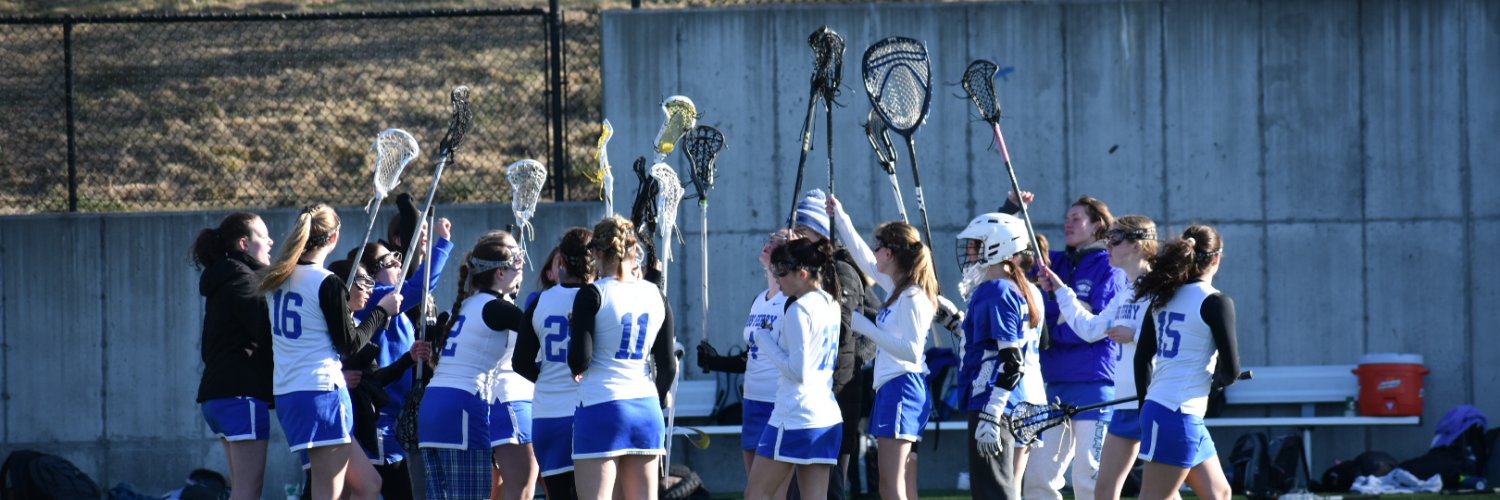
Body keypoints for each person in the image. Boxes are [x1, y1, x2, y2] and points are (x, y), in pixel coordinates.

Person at [257, 204, 401, 500]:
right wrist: (381, 313)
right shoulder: (326, 282)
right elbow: (350, 344)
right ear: (334, 239)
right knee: (330, 493)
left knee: (368, 484)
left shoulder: (278, 277)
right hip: (321, 392)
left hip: (291, 394)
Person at [1002, 192, 1124, 500]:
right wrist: (1012, 210)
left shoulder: (1110, 266)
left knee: (1089, 479)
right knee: (1038, 481)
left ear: (1098, 225)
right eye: (1066, 218)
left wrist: (1055, 329)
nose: (1067, 224)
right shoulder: (1052, 262)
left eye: (1076, 218)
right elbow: (1003, 252)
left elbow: (1096, 327)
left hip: (1094, 386)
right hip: (1053, 386)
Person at [1038, 216, 1165, 500]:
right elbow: (1090, 328)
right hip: (1125, 404)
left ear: (1137, 245)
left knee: (1174, 491)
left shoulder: (1162, 290)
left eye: (1115, 239)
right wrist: (1060, 290)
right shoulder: (1126, 294)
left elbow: (1179, 336)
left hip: (1157, 404)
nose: (1107, 245)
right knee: (1102, 491)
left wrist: (1137, 335)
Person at [826, 195, 936, 500]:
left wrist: (867, 329)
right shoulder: (897, 289)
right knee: (903, 484)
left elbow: (912, 352)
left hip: (903, 387)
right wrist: (842, 217)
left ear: (889, 252)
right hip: (896, 388)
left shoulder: (912, 296)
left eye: (878, 248)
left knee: (890, 485)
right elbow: (863, 258)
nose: (874, 254)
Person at [567, 215, 676, 500]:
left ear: (599, 253)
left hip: (601, 405)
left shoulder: (592, 294)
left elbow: (580, 360)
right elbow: (667, 365)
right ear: (632, 251)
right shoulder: (656, 294)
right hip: (646, 407)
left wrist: (575, 328)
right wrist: (659, 394)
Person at [1132, 225, 1241, 500]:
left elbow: (1142, 358)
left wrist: (1146, 407)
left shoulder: (1163, 298)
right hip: (1177, 413)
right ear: (1216, 258)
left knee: (1220, 493)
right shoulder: (1216, 301)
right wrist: (1220, 379)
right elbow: (1232, 370)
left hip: (1168, 410)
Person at [417, 232, 528, 498]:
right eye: (515, 266)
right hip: (463, 406)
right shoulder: (497, 307)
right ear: (500, 273)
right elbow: (536, 332)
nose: (519, 272)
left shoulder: (464, 305)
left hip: (432, 405)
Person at [351, 219, 453, 498]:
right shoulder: (375, 299)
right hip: (381, 416)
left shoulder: (394, 307)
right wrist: (442, 244)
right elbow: (420, 286)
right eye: (390, 261)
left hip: (399, 414)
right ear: (372, 274)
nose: (398, 264)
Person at [789, 189, 875, 499]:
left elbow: (851, 328)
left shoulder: (841, 272)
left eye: (803, 231)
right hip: (807, 396)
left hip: (838, 393)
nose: (796, 237)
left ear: (820, 234)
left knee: (830, 484)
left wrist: (856, 361)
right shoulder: (802, 273)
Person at [744, 237, 845, 500]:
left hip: (794, 416)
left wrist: (764, 340)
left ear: (802, 273)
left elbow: (799, 372)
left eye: (782, 273)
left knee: (756, 493)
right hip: (827, 417)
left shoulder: (799, 309)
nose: (777, 280)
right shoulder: (831, 303)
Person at [953, 212, 1042, 500]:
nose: (970, 251)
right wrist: (954, 321)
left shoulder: (997, 289)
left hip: (993, 401)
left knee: (994, 492)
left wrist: (992, 412)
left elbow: (1011, 361)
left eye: (976, 244)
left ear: (996, 246)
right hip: (992, 399)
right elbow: (989, 347)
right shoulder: (999, 288)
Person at [696, 229, 793, 488]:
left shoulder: (792, 302)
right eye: (768, 239)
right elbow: (752, 357)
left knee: (772, 491)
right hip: (752, 402)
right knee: (754, 488)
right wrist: (715, 361)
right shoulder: (760, 300)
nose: (767, 244)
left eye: (776, 242)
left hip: (778, 403)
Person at [193, 212, 274, 500]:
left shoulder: (226, 277)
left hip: (218, 398)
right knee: (248, 493)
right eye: (263, 236)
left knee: (240, 491)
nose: (271, 241)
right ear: (243, 243)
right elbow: (266, 334)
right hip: (240, 396)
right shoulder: (242, 279)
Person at [515, 227, 595, 500]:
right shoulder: (599, 297)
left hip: (546, 415)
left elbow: (521, 362)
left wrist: (550, 376)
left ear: (560, 260)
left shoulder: (539, 301)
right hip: (586, 411)